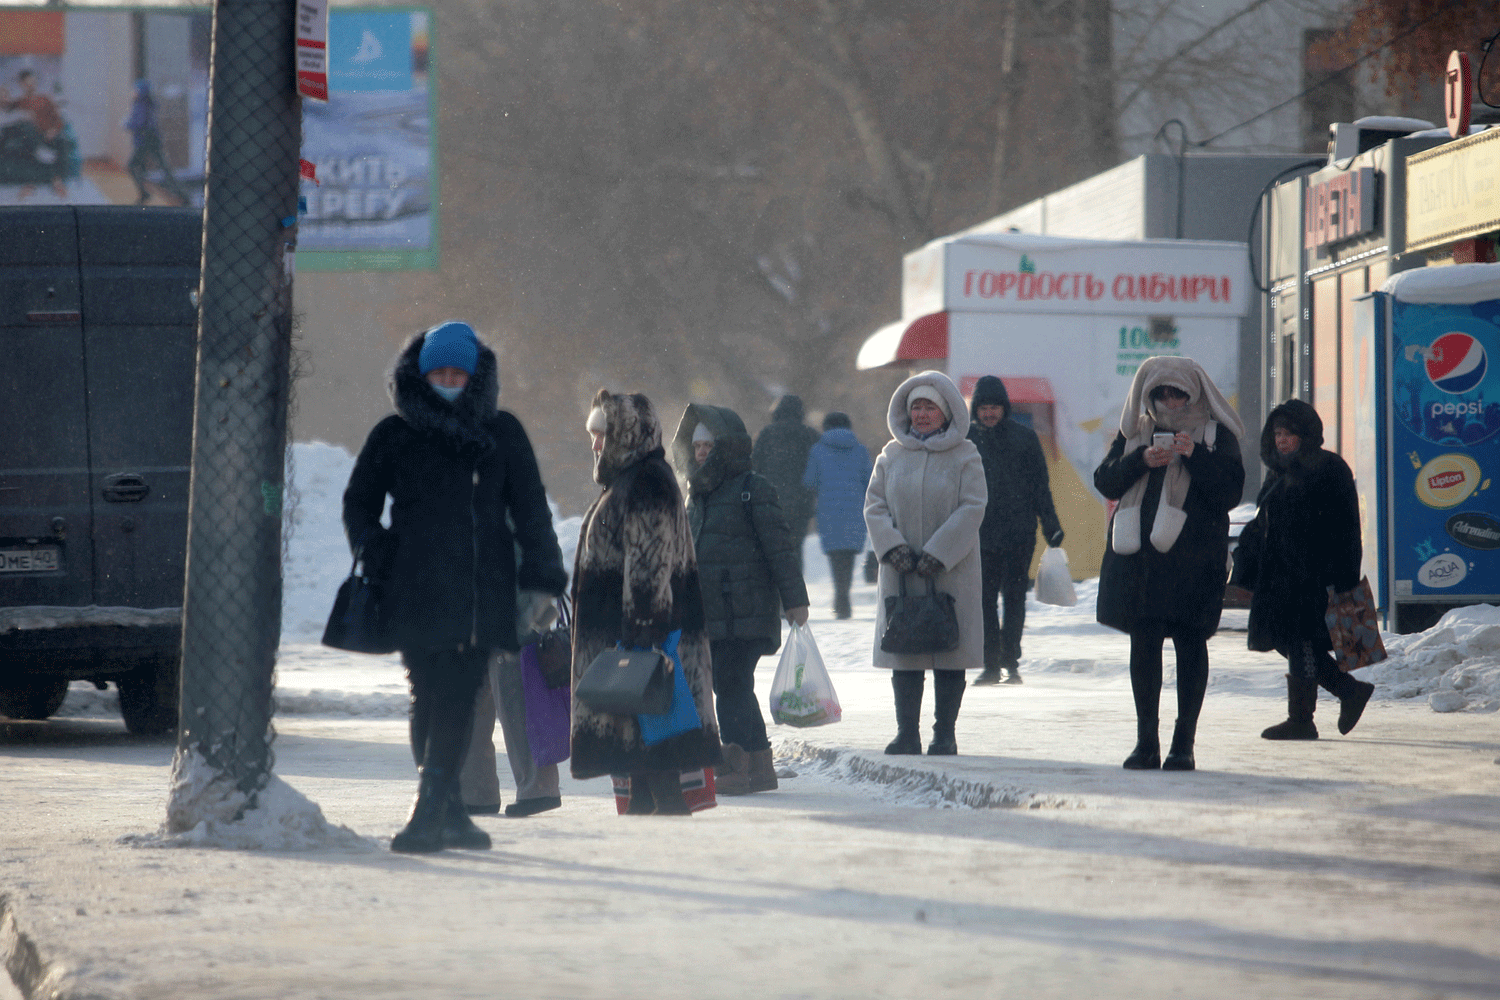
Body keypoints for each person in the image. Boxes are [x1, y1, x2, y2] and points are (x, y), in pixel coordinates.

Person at [343, 321, 567, 852]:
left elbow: (531, 510)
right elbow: (359, 503)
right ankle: (444, 808)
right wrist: (376, 551)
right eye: (439, 372)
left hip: (479, 590)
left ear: (474, 377)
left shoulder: (502, 432)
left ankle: (433, 812)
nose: (448, 380)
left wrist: (542, 579)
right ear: (421, 376)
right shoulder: (395, 435)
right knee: (428, 694)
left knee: (460, 696)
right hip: (414, 587)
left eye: (458, 373)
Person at [570, 390, 722, 815]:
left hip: (643, 633)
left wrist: (642, 631)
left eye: (603, 434)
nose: (596, 444)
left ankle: (664, 815)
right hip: (631, 633)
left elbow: (650, 563)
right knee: (641, 735)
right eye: (594, 435)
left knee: (653, 726)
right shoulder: (628, 481)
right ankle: (645, 809)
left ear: (626, 434)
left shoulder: (647, 481)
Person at [1094, 356, 1245, 772]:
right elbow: (1105, 479)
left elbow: (1230, 490)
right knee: (1143, 647)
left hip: (1194, 561)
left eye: (1177, 392)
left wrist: (1193, 454)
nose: (1169, 400)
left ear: (1194, 392)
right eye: (1160, 393)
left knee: (1190, 645)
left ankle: (1184, 742)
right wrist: (1139, 460)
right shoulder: (1135, 432)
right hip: (1140, 560)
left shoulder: (1215, 434)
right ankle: (1146, 741)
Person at [671, 405, 810, 795]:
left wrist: (795, 602)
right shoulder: (695, 494)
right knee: (732, 686)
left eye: (708, 444)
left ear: (726, 446)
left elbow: (780, 549)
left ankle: (738, 765)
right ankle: (758, 767)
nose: (700, 452)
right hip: (711, 612)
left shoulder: (753, 487)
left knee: (731, 686)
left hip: (743, 610)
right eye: (695, 445)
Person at [1234, 399, 1375, 740]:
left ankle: (1303, 718)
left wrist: (1341, 579)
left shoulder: (1329, 468)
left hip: (1316, 576)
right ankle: (1347, 691)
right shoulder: (1280, 471)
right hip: (1282, 577)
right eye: (1278, 433)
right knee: (1290, 639)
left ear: (1307, 434)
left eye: (1290, 433)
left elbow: (1344, 530)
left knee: (1300, 641)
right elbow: (1265, 522)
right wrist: (1244, 563)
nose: (1282, 440)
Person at [865, 371, 987, 756]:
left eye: (929, 407)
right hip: (902, 572)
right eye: (915, 406)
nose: (921, 414)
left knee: (950, 652)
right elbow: (874, 506)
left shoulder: (966, 455)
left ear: (946, 412)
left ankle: (944, 734)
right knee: (906, 651)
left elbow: (973, 507)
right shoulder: (891, 455)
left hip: (951, 571)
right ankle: (907, 733)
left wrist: (939, 552)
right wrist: (893, 548)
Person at [458, 526, 566, 818]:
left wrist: (531, 611)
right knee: (471, 710)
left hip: (514, 620)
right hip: (473, 618)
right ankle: (475, 793)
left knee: (519, 708)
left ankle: (540, 789)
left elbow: (544, 551)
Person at [966, 375, 1064, 686]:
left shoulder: (1024, 438)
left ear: (1004, 408)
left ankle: (1011, 662)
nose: (989, 413)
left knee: (1014, 598)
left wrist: (1052, 525)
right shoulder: (966, 440)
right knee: (983, 600)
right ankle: (990, 664)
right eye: (983, 407)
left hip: (1019, 533)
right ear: (975, 409)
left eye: (994, 406)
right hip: (979, 535)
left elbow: (1040, 485)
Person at [802, 411, 873, 620]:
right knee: (849, 555)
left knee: (836, 555)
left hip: (828, 509)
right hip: (854, 508)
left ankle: (840, 596)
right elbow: (869, 479)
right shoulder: (860, 450)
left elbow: (809, 480)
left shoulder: (817, 450)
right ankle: (844, 594)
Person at [751, 394, 820, 568]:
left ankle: (778, 591)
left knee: (775, 549)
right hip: (802, 504)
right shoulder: (811, 435)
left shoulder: (766, 435)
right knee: (796, 548)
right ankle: (796, 590)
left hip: (771, 502)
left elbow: (754, 467)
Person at [123, 80, 190, 205]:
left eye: (136, 90)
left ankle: (145, 194)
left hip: (145, 142)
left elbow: (139, 123)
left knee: (133, 166)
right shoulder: (148, 103)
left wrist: (126, 124)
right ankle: (182, 195)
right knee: (164, 170)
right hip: (152, 141)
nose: (133, 92)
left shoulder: (141, 105)